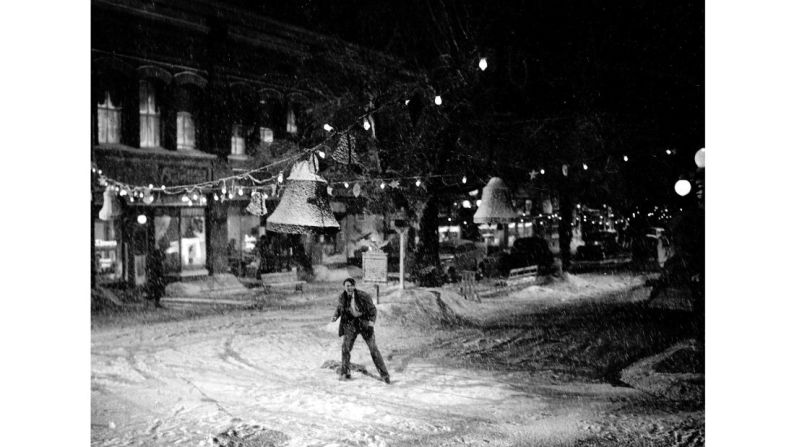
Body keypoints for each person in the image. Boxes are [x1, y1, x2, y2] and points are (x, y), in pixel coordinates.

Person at [331, 278, 390, 384]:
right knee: (345, 347)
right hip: (351, 324)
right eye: (347, 286)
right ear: (344, 287)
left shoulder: (363, 295)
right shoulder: (342, 297)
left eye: (351, 286)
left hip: (364, 323)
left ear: (354, 286)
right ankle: (345, 372)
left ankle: (384, 375)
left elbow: (373, 310)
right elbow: (340, 308)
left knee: (373, 349)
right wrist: (335, 316)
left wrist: (371, 324)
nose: (349, 288)